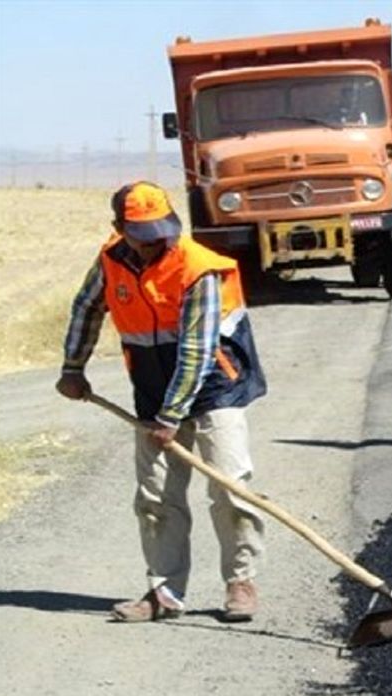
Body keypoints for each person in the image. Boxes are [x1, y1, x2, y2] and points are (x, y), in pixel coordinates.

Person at [56, 181, 268, 623]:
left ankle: (241, 582)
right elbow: (86, 308)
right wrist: (73, 367)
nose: (157, 242)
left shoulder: (197, 267)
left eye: (162, 231)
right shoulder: (111, 260)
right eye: (144, 235)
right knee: (155, 497)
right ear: (120, 229)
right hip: (152, 389)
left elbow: (196, 350)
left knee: (230, 487)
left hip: (215, 386)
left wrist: (171, 417)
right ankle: (164, 592)